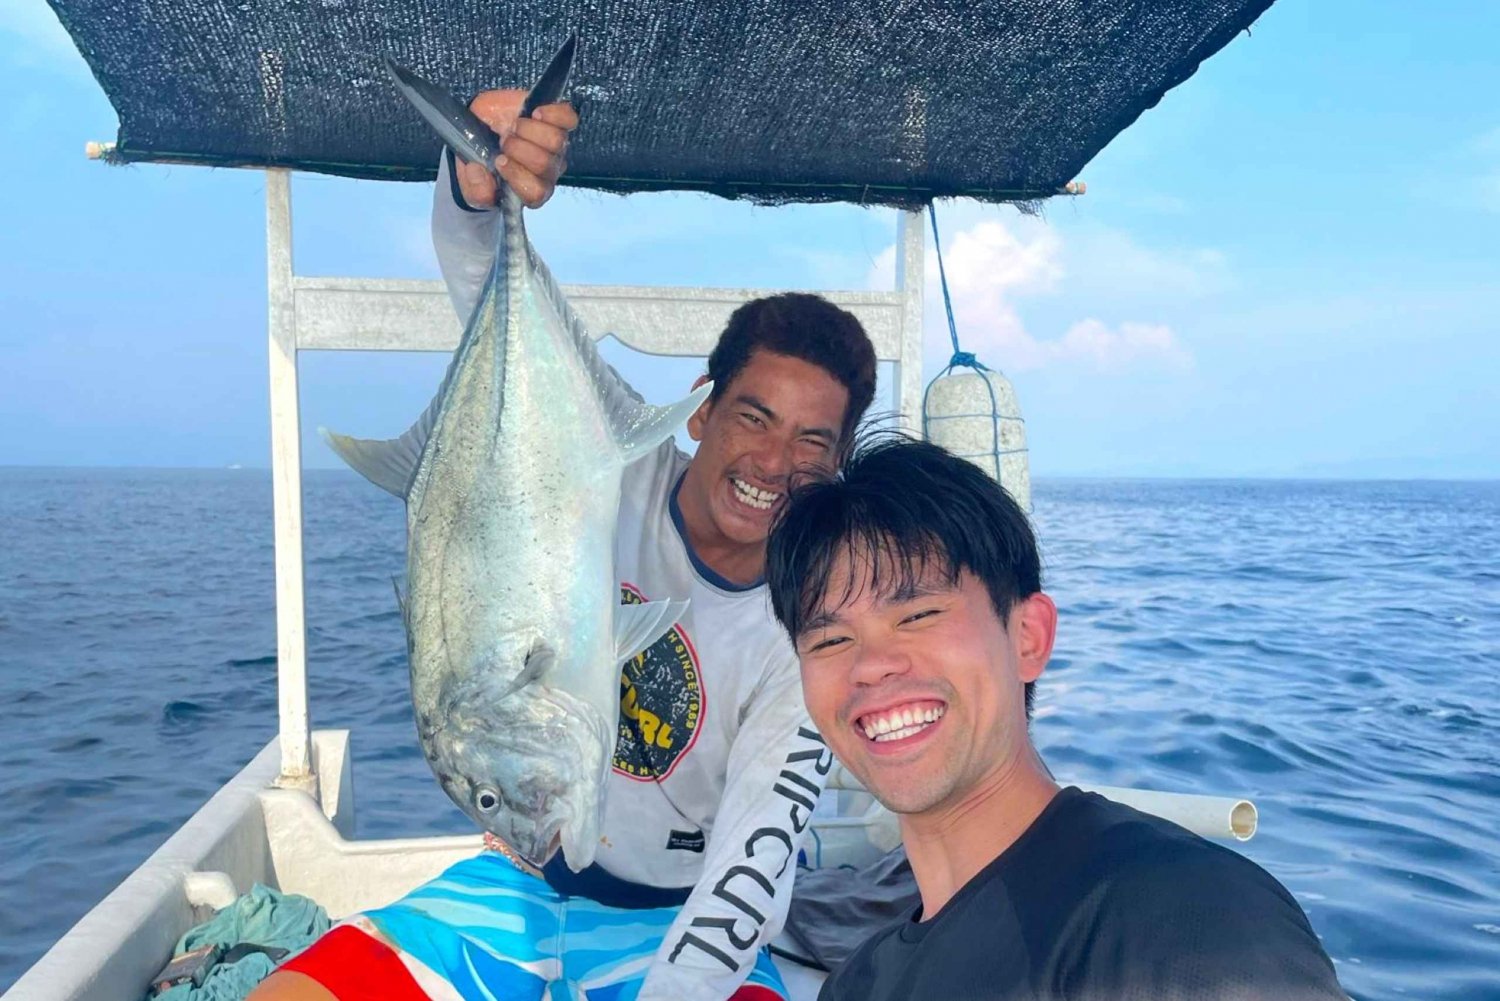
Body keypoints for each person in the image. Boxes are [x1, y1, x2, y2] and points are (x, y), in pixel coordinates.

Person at [251, 87, 877, 1001]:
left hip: (678, 915)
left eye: (814, 443)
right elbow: (479, 272)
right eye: (753, 416)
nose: (776, 463)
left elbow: (757, 853)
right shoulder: (599, 459)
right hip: (514, 884)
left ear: (841, 461)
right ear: (701, 409)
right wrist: (479, 187)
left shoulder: (809, 629)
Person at [763, 436, 1350, 1001]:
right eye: (831, 640)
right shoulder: (857, 984)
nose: (871, 667)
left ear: (1028, 637)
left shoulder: (1180, 922)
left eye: (917, 615)